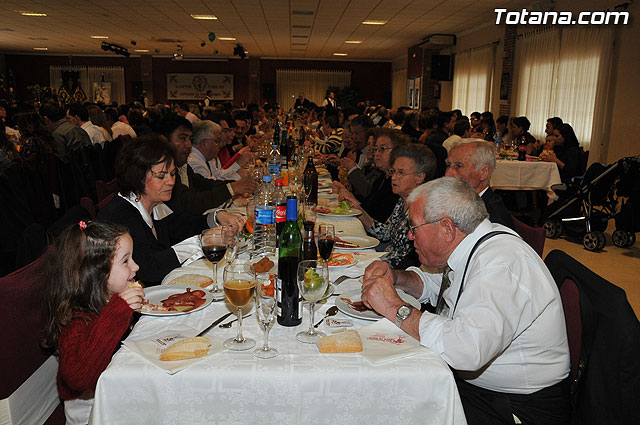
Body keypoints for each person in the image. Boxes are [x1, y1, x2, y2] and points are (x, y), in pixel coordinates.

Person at [361, 177, 570, 425]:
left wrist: (394, 307)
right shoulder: (473, 245)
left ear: (447, 228)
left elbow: (467, 350)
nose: (409, 236)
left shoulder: (500, 265)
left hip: (518, 407)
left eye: (414, 227)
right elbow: (440, 286)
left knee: (393, 407)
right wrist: (396, 278)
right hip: (486, 390)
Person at [98, 135, 244, 285]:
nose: (171, 181)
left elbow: (185, 224)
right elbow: (148, 268)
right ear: (137, 177)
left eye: (173, 174)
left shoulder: (155, 204)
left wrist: (218, 217)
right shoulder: (121, 216)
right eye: (161, 176)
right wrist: (201, 242)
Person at [42, 221, 146, 425]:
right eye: (125, 261)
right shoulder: (76, 319)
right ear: (97, 273)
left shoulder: (106, 298)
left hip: (115, 389)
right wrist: (118, 311)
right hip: (91, 409)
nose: (136, 266)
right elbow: (80, 378)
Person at [355, 143, 436, 269]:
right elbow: (387, 233)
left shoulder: (425, 209)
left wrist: (373, 263)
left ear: (419, 177)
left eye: (401, 173)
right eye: (393, 172)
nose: (394, 177)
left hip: (401, 273)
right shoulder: (402, 200)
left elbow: (410, 261)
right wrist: (357, 210)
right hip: (386, 260)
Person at [159, 115, 256, 215]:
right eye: (183, 139)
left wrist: (236, 184)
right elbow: (188, 202)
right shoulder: (165, 172)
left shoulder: (184, 166)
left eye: (190, 139)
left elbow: (206, 184)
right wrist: (231, 188)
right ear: (164, 140)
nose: (188, 144)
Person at [446, 139, 516, 230]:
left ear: (484, 172)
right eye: (448, 165)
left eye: (458, 166)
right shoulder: (462, 199)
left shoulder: (492, 220)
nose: (448, 173)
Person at [338, 128, 402, 223]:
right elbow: (368, 206)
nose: (376, 153)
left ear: (398, 151)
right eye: (376, 149)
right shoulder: (382, 178)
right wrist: (348, 195)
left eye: (383, 149)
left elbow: (380, 221)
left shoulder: (397, 183)